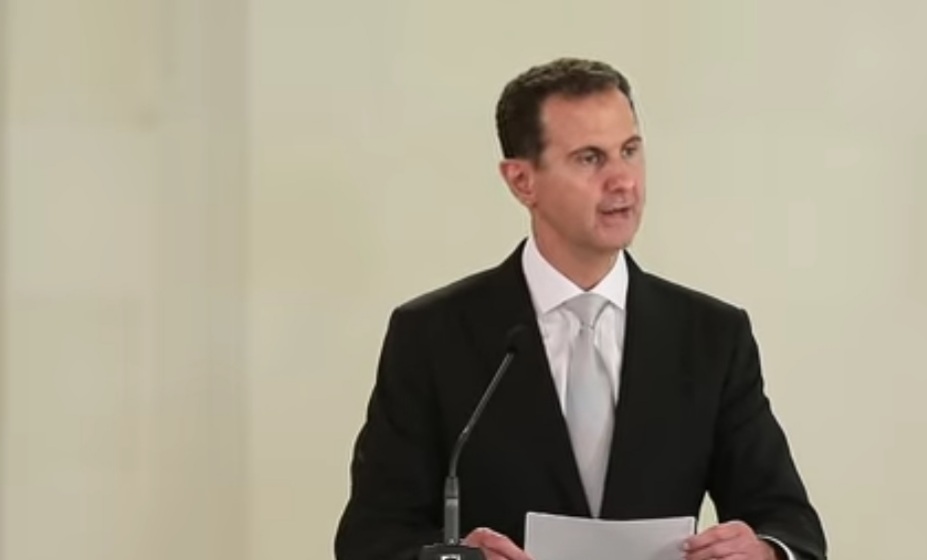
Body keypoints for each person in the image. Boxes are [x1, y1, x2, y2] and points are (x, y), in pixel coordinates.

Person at [333, 57, 826, 560]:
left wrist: (766, 552)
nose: (623, 181)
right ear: (522, 181)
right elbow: (371, 536)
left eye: (629, 151)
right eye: (590, 158)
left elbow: (789, 523)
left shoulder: (711, 336)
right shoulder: (432, 335)